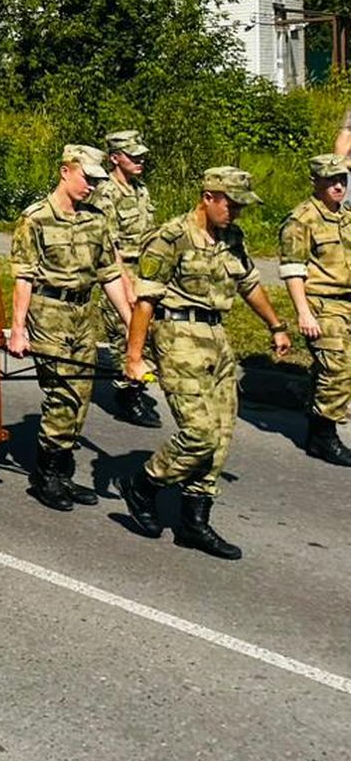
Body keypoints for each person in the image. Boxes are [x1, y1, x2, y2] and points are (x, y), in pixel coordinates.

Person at [119, 168, 292, 560]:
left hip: (217, 339)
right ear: (209, 197)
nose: (236, 213)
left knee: (222, 436)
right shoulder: (171, 237)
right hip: (178, 339)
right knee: (199, 434)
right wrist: (134, 357)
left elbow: (248, 283)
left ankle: (194, 522)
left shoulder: (232, 237)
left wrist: (276, 325)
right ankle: (144, 484)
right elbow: (144, 301)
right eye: (231, 204)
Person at [9, 146, 136, 512]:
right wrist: (18, 329)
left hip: (83, 313)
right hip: (49, 312)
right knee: (62, 394)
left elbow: (109, 275)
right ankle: (46, 476)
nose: (92, 187)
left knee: (80, 398)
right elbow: (23, 278)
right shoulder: (35, 219)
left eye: (98, 181)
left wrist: (131, 324)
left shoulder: (95, 219)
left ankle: (62, 473)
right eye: (87, 178)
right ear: (66, 171)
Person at [278, 154, 351, 466]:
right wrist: (303, 313)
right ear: (315, 182)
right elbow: (293, 269)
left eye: (343, 180)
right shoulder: (302, 219)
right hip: (322, 304)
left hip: (347, 302)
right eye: (331, 180)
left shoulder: (346, 216)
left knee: (334, 369)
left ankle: (317, 419)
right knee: (338, 369)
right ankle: (324, 436)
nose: (338, 186)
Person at [90, 129, 162, 426]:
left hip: (144, 269)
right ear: (115, 158)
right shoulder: (106, 192)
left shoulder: (139, 188)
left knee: (146, 332)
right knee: (126, 333)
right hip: (122, 271)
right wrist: (125, 283)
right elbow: (109, 244)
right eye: (133, 156)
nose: (140, 160)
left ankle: (134, 385)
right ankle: (128, 397)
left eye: (141, 155)